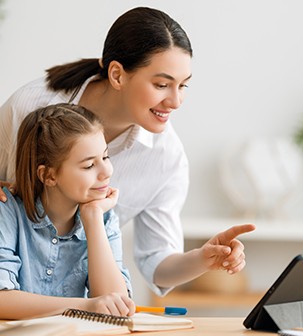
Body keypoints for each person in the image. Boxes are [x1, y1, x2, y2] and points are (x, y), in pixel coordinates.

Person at [0, 6, 255, 296]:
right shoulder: (29, 108)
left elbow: (157, 260)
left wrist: (204, 258)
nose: (175, 101)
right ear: (117, 75)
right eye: (162, 84)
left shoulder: (165, 158)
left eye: (183, 86)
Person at [0, 103, 135, 320]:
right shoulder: (7, 212)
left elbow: (115, 305)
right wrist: (86, 305)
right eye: (89, 165)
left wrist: (92, 219)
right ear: (49, 176)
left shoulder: (104, 217)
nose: (106, 172)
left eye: (106, 157)